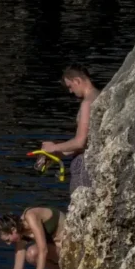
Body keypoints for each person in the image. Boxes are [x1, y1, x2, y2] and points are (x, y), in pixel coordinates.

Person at [37, 64, 99, 194]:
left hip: (84, 167)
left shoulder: (87, 103)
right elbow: (88, 142)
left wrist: (52, 148)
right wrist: (58, 153)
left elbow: (80, 142)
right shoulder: (100, 95)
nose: (71, 91)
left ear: (77, 80)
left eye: (70, 86)